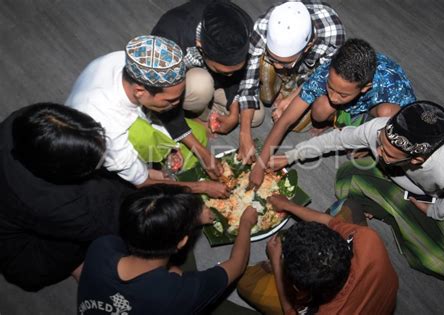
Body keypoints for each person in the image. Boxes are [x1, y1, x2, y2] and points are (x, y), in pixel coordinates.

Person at [268, 101, 444, 281]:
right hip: (398, 179)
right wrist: (291, 155)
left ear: (416, 159)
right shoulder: (380, 128)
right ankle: (389, 206)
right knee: (346, 178)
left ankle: (394, 210)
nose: (377, 151)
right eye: (379, 142)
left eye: (387, 153)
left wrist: (434, 211)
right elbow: (337, 140)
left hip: (432, 196)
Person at [66, 35, 228, 197]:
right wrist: (203, 188)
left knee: (197, 135)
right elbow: (142, 183)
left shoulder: (128, 62)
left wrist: (178, 148)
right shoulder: (107, 126)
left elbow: (148, 111)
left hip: (137, 116)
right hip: (93, 153)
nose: (178, 104)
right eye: (170, 100)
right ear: (139, 91)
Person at [249, 38, 416, 189]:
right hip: (352, 109)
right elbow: (286, 120)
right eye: (330, 87)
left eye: (342, 94)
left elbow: (407, 140)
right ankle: (334, 122)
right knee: (321, 109)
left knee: (388, 114)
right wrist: (260, 164)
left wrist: (371, 143)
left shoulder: (396, 89)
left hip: (374, 115)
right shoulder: (326, 71)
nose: (334, 97)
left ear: (365, 88)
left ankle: (366, 137)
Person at [0, 103, 132, 291]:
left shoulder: (29, 120)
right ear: (60, 173)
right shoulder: (62, 204)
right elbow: (126, 220)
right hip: (25, 253)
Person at [77, 184, 258, 314]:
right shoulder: (175, 294)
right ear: (181, 242)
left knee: (175, 270)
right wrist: (245, 223)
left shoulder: (101, 247)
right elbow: (237, 264)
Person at [238, 196, 398, 314]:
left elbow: (289, 310)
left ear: (301, 291)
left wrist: (276, 265)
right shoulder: (368, 240)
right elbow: (329, 222)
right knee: (350, 204)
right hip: (381, 296)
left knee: (245, 284)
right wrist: (289, 205)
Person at [236, 0, 345, 164]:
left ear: (308, 47)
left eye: (285, 63)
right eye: (274, 59)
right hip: (297, 67)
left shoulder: (333, 36)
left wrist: (292, 98)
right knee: (264, 75)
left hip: (310, 74)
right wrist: (244, 134)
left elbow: (322, 76)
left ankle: (286, 89)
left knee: (297, 124)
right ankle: (282, 85)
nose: (278, 67)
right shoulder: (262, 28)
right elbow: (248, 81)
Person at [151, 0, 264, 134]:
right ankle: (193, 114)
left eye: (234, 70)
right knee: (201, 85)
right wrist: (190, 135)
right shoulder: (170, 36)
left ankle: (206, 110)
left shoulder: (243, 30)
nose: (231, 75)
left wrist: (233, 114)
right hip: (184, 84)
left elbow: (238, 77)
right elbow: (159, 93)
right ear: (200, 46)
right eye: (223, 71)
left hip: (216, 83)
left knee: (256, 116)